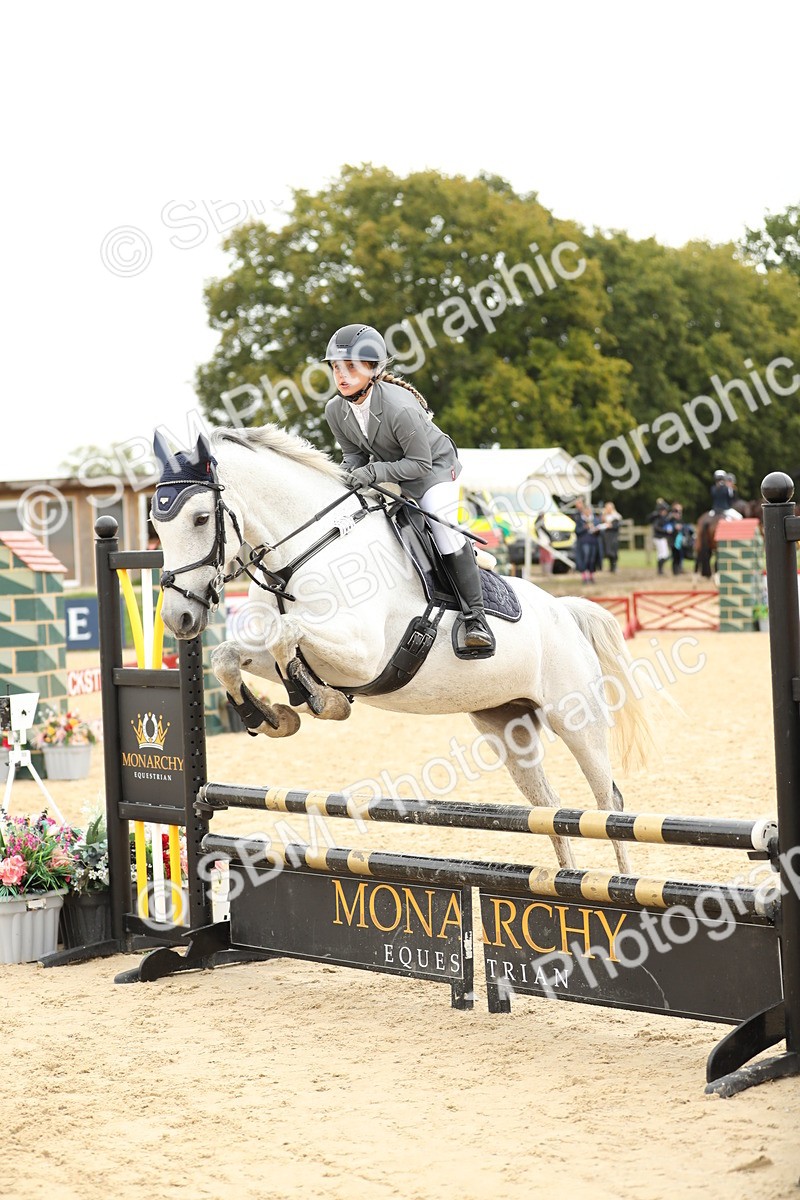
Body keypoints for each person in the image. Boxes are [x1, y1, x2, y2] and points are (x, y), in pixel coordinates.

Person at [323, 323, 494, 653]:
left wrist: (372, 472)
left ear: (373, 370)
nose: (341, 375)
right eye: (335, 367)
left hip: (434, 470)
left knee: (445, 530)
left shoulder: (400, 408)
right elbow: (354, 455)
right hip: (393, 470)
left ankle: (476, 618)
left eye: (351, 367)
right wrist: (343, 478)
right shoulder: (336, 410)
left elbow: (420, 465)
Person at [573, 498, 597, 584]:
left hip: (593, 542)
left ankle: (591, 576)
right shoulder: (580, 520)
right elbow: (577, 531)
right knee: (585, 559)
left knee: (592, 559)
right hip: (583, 542)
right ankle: (584, 576)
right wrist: (584, 527)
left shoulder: (594, 520)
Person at [648, 499, 671, 575]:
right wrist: (666, 531)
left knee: (661, 554)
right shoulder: (657, 517)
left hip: (661, 537)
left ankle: (660, 570)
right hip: (659, 537)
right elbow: (656, 528)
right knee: (664, 554)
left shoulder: (663, 517)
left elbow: (666, 506)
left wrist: (662, 502)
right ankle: (660, 570)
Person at [598, 501, 622, 573]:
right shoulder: (604, 516)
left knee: (613, 552)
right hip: (606, 536)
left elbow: (616, 526)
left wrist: (610, 525)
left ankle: (614, 567)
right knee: (608, 552)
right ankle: (610, 567)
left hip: (613, 536)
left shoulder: (616, 516)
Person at [667, 503, 686, 575]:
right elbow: (668, 527)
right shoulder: (670, 519)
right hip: (673, 540)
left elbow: (683, 526)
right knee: (675, 556)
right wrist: (675, 527)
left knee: (679, 556)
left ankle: (679, 569)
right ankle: (675, 571)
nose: (679, 513)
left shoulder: (680, 519)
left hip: (679, 540)